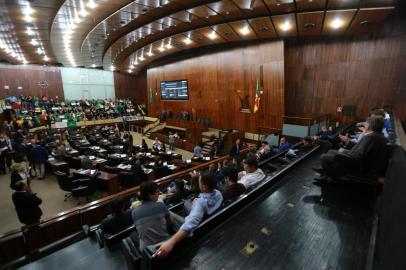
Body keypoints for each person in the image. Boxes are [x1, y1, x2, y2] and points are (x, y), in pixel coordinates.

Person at [154, 174, 223, 258]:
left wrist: (171, 242)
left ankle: (170, 234)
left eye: (199, 182)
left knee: (169, 213)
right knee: (187, 203)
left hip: (196, 229)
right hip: (209, 218)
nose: (198, 183)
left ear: (204, 187)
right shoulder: (218, 193)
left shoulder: (201, 203)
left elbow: (190, 224)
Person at [314, 116, 388, 183]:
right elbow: (361, 149)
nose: (364, 125)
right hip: (362, 160)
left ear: (369, 126)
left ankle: (330, 178)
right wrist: (348, 143)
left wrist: (345, 151)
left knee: (324, 157)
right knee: (331, 151)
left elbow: (357, 156)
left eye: (366, 123)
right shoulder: (379, 136)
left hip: (358, 164)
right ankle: (325, 171)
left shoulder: (370, 137)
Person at [132, 182, 172, 249]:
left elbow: (140, 230)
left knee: (133, 234)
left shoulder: (134, 212)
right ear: (150, 195)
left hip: (147, 251)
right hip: (165, 245)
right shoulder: (160, 205)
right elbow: (169, 223)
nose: (158, 194)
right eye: (157, 192)